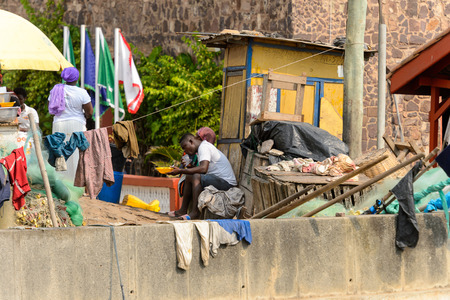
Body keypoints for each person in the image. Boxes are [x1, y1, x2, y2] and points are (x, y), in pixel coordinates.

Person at [168, 133, 237, 220]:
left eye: (185, 147)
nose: (185, 150)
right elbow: (201, 170)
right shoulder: (201, 149)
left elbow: (203, 169)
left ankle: (195, 213)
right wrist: (186, 168)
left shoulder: (204, 147)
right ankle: (183, 210)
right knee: (189, 175)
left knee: (196, 176)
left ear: (191, 141)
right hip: (218, 180)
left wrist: (180, 170)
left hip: (227, 183)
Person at [48, 67, 93, 181]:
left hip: (59, 124)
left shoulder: (56, 90)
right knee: (76, 154)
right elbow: (90, 112)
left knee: (59, 152)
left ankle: (61, 183)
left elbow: (51, 105)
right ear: (77, 79)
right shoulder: (82, 92)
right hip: (77, 125)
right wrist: (86, 116)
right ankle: (76, 183)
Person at [13, 87, 39, 152]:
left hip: (28, 139)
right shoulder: (10, 112)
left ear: (25, 99)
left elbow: (36, 129)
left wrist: (21, 129)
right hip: (14, 139)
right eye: (16, 99)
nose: (18, 101)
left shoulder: (31, 111)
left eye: (20, 99)